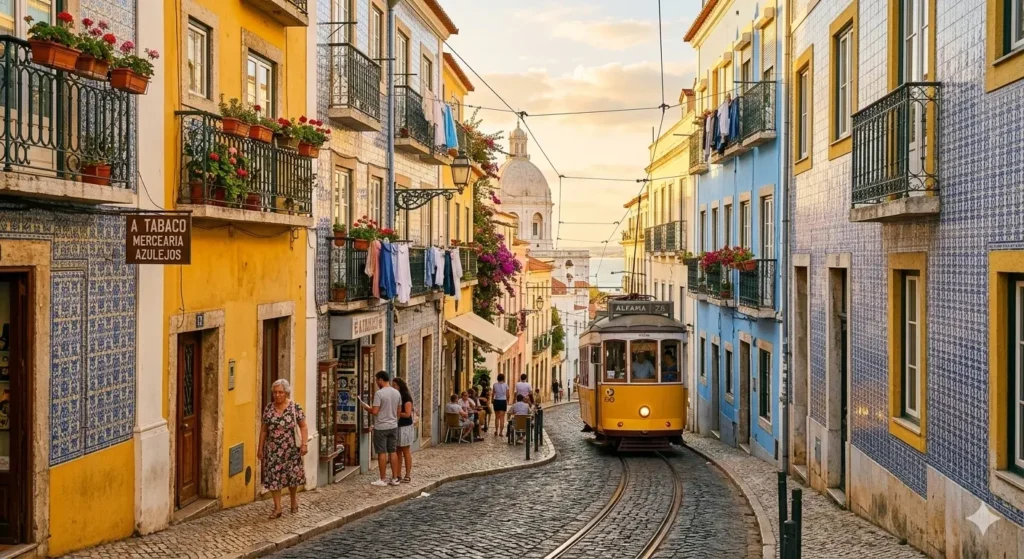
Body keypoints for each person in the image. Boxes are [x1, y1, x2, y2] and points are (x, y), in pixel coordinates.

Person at [257, 379, 308, 519]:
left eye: (280, 392)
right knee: (274, 478)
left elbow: (303, 426)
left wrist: (304, 444)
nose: (278, 395)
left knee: (292, 477)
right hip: (273, 450)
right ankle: (277, 508)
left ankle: (293, 501)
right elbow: (264, 430)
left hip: (291, 449)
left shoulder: (294, 407)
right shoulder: (268, 408)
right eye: (275, 392)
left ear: (286, 393)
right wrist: (260, 448)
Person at [360, 371, 402, 487]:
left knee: (381, 452)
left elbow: (374, 411)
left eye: (377, 380)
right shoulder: (397, 393)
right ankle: (394, 478)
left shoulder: (379, 394)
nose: (376, 383)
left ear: (380, 380)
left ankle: (383, 479)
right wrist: (393, 420)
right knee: (392, 452)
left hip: (381, 427)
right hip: (393, 426)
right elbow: (399, 411)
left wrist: (365, 407)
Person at [392, 377, 415, 483]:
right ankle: (398, 474)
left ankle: (408, 474)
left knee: (405, 451)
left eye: (395, 385)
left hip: (405, 427)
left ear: (400, 386)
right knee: (397, 451)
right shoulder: (396, 397)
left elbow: (407, 414)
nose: (393, 387)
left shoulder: (406, 397)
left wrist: (395, 413)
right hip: (397, 426)